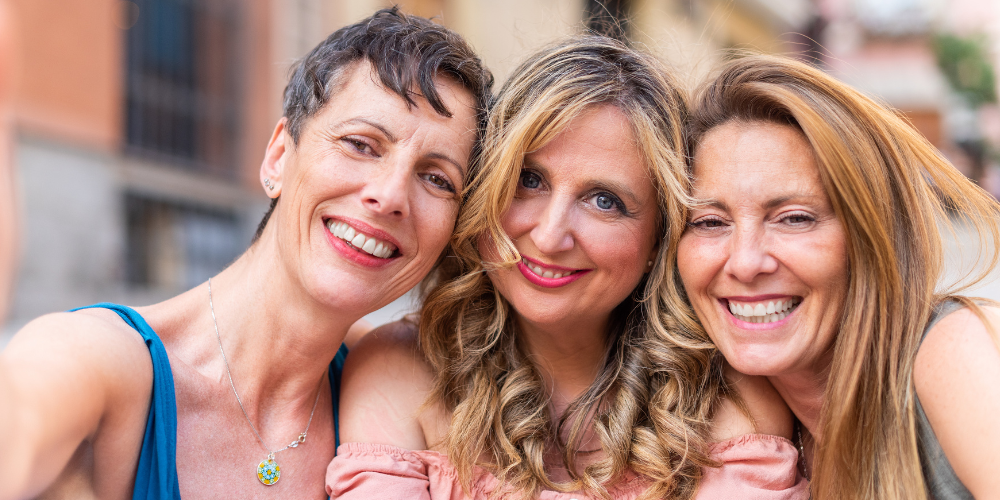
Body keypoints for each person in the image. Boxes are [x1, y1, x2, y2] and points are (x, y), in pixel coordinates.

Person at [0, 8, 492, 499]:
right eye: (361, 144)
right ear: (278, 157)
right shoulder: (91, 363)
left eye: (436, 179)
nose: (389, 197)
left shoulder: (401, 386)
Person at [328, 37, 808, 499]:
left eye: (605, 201)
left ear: (658, 239)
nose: (549, 235)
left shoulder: (730, 392)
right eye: (529, 180)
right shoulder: (397, 369)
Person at [677, 54, 1000, 499]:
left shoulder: (952, 351)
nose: (745, 263)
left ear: (869, 235)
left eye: (793, 219)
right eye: (710, 222)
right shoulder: (736, 429)